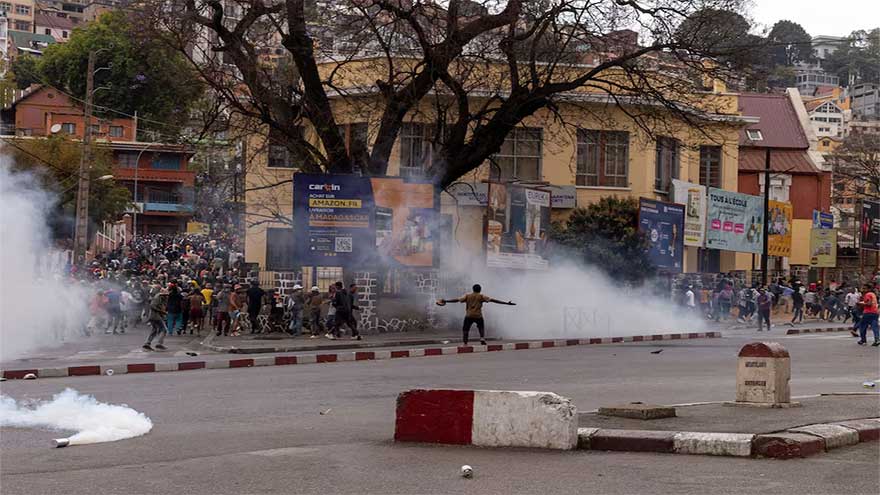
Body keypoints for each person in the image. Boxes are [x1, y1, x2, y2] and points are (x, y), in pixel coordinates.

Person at [439, 284, 515, 345]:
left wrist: (446, 301)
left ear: (473, 289)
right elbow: (493, 300)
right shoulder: (481, 296)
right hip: (478, 316)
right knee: (481, 327)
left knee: (465, 330)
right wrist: (506, 303)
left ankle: (465, 343)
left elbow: (457, 300)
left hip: (469, 315)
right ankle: (482, 338)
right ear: (480, 290)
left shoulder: (467, 296)